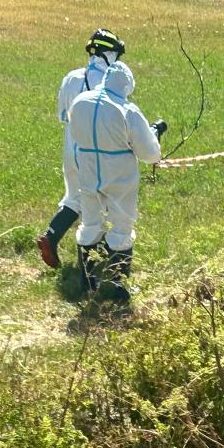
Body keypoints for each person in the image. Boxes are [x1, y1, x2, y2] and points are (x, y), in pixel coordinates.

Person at [67, 60, 166, 302]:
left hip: (88, 171)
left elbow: (75, 133)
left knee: (89, 223)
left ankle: (87, 282)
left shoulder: (80, 102)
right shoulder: (127, 110)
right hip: (120, 176)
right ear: (126, 86)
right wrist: (154, 133)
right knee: (122, 226)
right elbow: (149, 153)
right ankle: (120, 287)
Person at [35, 29, 126, 270]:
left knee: (74, 198)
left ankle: (51, 236)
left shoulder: (71, 78)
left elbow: (62, 115)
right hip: (96, 150)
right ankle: (94, 263)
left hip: (71, 145)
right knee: (100, 201)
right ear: (109, 54)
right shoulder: (113, 82)